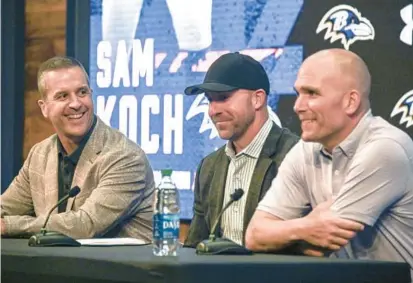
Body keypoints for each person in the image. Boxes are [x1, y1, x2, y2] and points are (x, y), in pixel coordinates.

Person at [245, 49, 413, 275]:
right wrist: (307, 227)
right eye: (298, 93)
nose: (298, 106)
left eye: (312, 93)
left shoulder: (386, 148)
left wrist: (287, 233)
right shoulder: (304, 151)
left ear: (350, 102)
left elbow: (326, 242)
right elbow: (255, 235)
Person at [1, 56, 155, 241]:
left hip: (121, 268)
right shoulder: (39, 154)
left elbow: (86, 225)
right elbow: (5, 208)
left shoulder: (125, 156)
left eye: (82, 92)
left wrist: (9, 225)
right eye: (62, 96)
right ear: (44, 108)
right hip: (57, 267)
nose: (75, 104)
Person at [183, 52, 299, 247]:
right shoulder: (209, 167)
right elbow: (195, 245)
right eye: (210, 100)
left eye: (223, 97)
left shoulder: (296, 156)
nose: (213, 110)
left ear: (257, 99)